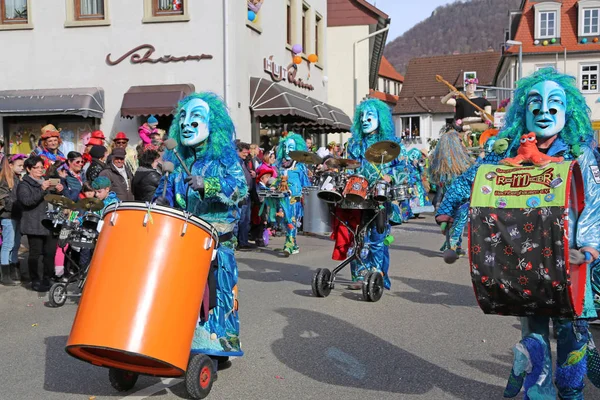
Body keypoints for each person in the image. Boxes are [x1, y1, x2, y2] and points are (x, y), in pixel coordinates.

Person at [437, 69, 600, 399]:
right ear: (523, 112)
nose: (543, 112)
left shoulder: (580, 153)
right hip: (525, 261)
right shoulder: (507, 149)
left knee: (572, 336)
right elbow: (476, 177)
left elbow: (594, 202)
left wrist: (589, 249)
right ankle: (537, 391)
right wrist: (449, 205)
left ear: (567, 111)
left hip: (571, 261)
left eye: (553, 105)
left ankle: (571, 393)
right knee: (535, 334)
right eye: (535, 104)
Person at [157, 92, 248, 358]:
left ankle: (218, 345)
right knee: (185, 295)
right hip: (184, 241)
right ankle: (185, 340)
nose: (186, 123)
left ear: (213, 123)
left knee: (218, 295)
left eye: (195, 118)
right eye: (182, 117)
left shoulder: (225, 158)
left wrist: (208, 184)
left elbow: (240, 189)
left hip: (218, 243)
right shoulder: (176, 161)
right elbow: (171, 196)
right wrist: (162, 200)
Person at [332, 98, 405, 290]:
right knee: (357, 237)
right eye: (362, 116)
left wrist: (390, 177)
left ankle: (376, 276)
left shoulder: (392, 144)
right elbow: (348, 168)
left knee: (377, 239)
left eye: (370, 116)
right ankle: (359, 276)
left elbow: (407, 170)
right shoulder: (354, 145)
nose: (364, 120)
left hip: (381, 197)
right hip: (357, 196)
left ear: (380, 118)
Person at [17, 156, 64, 292]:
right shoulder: (24, 184)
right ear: (28, 169)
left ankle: (47, 277)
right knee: (35, 254)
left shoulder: (45, 181)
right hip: (34, 223)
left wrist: (58, 191)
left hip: (50, 222)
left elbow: (52, 200)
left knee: (50, 252)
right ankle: (35, 279)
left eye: (41, 167)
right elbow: (27, 201)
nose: (39, 170)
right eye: (36, 168)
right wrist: (42, 189)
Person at [275, 132, 310, 255]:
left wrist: (297, 192)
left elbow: (305, 184)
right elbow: (277, 181)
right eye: (284, 147)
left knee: (291, 221)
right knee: (285, 221)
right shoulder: (281, 166)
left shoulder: (300, 166)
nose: (286, 150)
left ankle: (288, 246)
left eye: (290, 147)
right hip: (282, 198)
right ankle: (293, 245)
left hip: (293, 199)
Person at [0, 154, 25, 286]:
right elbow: (4, 199)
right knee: (8, 245)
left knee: (15, 244)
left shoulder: (17, 179)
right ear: (10, 165)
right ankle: (5, 274)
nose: (22, 168)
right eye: (19, 165)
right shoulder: (4, 180)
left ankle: (14, 269)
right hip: (8, 216)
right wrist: (17, 206)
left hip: (17, 215)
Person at [236, 142, 257, 250]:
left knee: (245, 219)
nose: (246, 154)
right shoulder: (236, 162)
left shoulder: (244, 162)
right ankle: (237, 242)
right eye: (244, 152)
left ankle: (243, 241)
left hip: (247, 194)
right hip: (240, 194)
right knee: (239, 219)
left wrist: (252, 174)